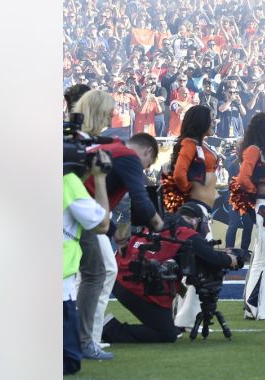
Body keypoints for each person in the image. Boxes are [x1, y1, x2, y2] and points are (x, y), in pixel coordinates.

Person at [70, 89, 162, 361]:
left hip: (74, 206)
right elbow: (142, 203)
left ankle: (83, 337)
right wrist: (159, 224)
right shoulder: (124, 153)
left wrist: (112, 230)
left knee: (89, 273)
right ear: (146, 151)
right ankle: (87, 339)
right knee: (99, 272)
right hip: (76, 207)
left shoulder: (96, 142)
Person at [104, 206, 241, 343]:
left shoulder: (156, 226)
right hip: (136, 285)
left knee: (165, 325)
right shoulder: (185, 234)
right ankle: (108, 330)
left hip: (120, 276)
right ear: (193, 220)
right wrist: (231, 259)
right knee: (166, 335)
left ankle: (104, 327)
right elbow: (213, 258)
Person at [158, 104, 221, 332]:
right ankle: (185, 319)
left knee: (195, 267)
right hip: (195, 210)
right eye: (211, 119)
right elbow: (178, 174)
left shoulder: (199, 145)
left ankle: (183, 318)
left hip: (201, 208)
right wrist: (189, 196)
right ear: (201, 122)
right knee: (201, 266)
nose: (214, 122)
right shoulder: (189, 144)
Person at [230, 111, 265, 320]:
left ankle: (253, 308)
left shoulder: (263, 151)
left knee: (262, 259)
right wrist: (259, 195)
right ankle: (263, 310)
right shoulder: (254, 150)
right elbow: (242, 179)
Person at [63, 138, 111, 373]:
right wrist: (99, 178)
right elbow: (102, 225)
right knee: (69, 362)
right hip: (60, 281)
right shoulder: (69, 183)